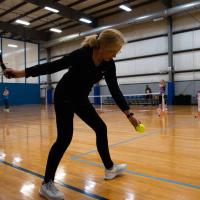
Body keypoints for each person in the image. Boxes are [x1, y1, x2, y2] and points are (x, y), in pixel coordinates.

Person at [4, 29, 141, 200]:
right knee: (64, 138)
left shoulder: (108, 64)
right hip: (64, 96)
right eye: (114, 50)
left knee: (101, 127)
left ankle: (109, 168)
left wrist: (129, 115)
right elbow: (52, 66)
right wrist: (20, 73)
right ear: (104, 46)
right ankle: (46, 184)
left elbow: (114, 89)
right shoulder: (82, 55)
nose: (115, 55)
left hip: (80, 98)